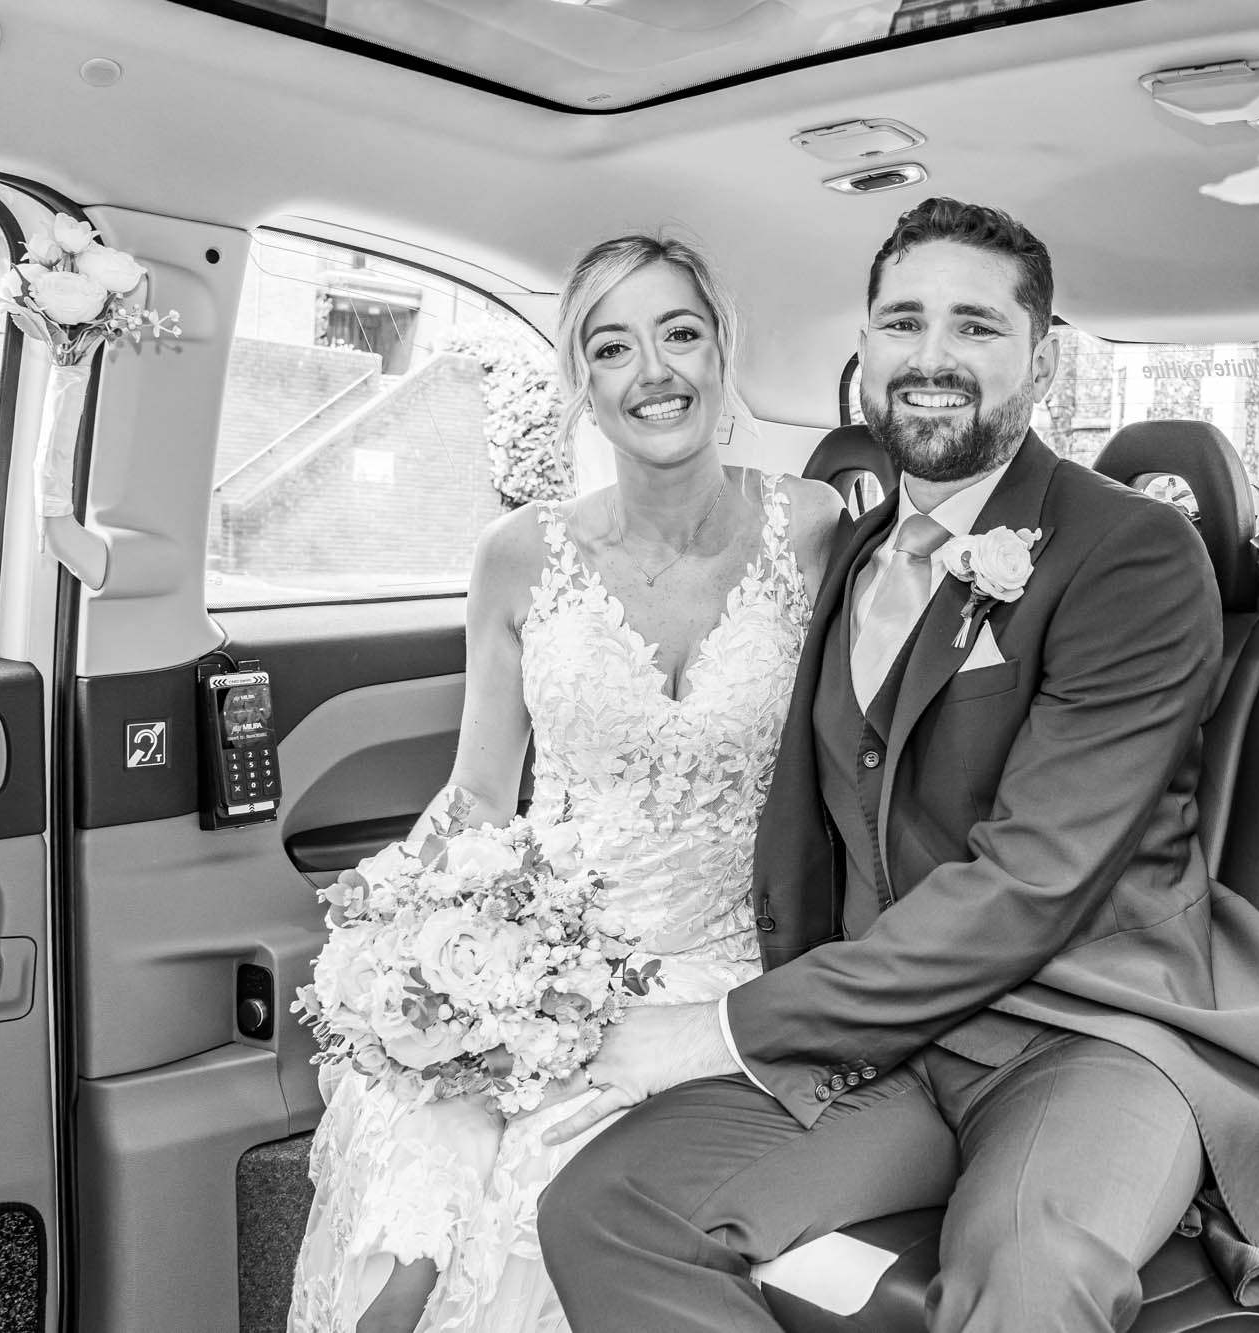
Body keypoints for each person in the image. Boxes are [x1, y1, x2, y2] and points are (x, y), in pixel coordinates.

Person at [536, 198, 1259, 1331]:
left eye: (974, 326)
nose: (929, 358)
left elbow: (1034, 879)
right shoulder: (853, 551)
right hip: (894, 1044)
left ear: (1041, 358)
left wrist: (720, 1024)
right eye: (901, 323)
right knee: (608, 1203)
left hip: (1092, 1032)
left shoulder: (1131, 552)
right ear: (863, 349)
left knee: (1026, 1270)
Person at [285, 233, 842, 1333]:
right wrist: (400, 943)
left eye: (680, 333)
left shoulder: (815, 530)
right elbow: (479, 799)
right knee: (413, 1201)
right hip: (534, 961)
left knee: (541, 1208)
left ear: (723, 352)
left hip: (719, 977)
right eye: (613, 346)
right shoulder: (516, 555)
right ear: (579, 383)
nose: (654, 371)